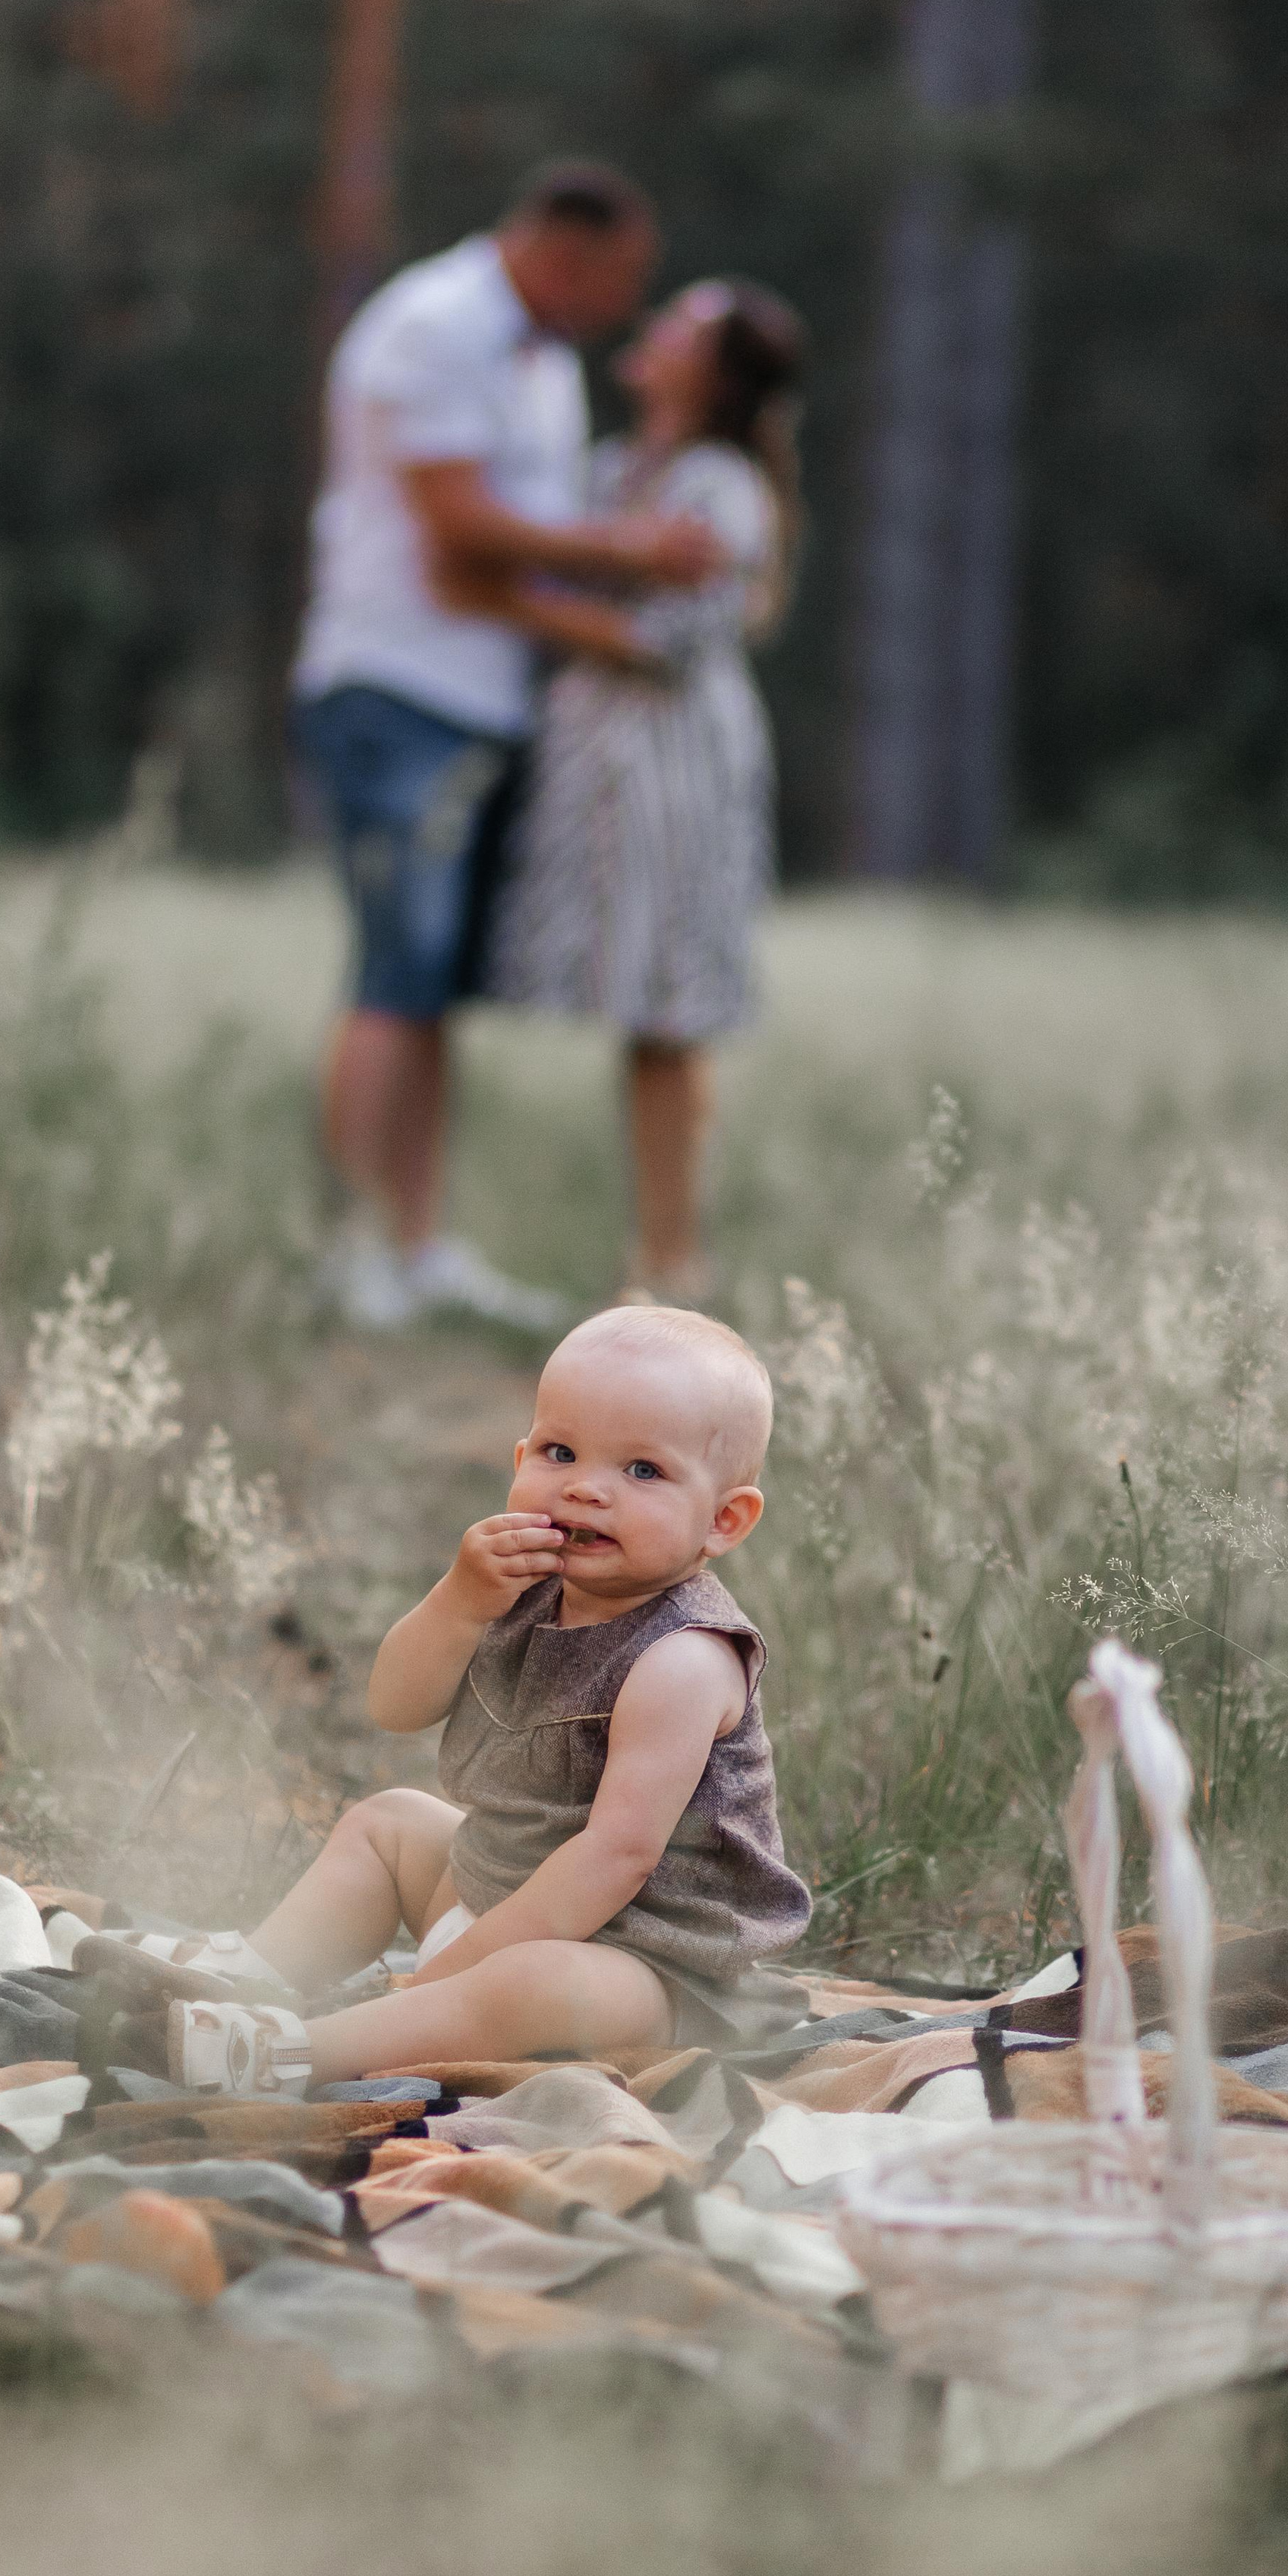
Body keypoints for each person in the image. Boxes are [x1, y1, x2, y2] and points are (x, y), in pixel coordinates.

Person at [153, 1305, 812, 2090]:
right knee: (388, 1823)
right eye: (560, 1452)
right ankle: (250, 1975)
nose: (585, 1489)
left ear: (724, 1520)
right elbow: (394, 1706)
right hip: (498, 1888)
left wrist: (456, 1968)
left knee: (529, 1988)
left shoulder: (685, 1659)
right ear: (521, 1455)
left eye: (642, 1471)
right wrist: (459, 1601)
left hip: (653, 1966)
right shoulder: (517, 1586)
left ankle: (291, 2052)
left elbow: (617, 1860)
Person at [294, 163, 724, 1332]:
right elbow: (460, 529)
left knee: (433, 988)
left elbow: (512, 553)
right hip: (398, 687)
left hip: (482, 696)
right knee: (392, 972)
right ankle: (348, 1252)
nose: (626, 305)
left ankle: (419, 1245)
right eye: (623, 277)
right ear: (566, 251)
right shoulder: (438, 328)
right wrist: (633, 560)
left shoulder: (540, 362)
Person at [487, 279, 805, 1301]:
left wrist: (507, 597)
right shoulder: (617, 470)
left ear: (711, 376)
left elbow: (670, 641)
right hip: (605, 760)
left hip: (675, 765)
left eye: (681, 328)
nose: (652, 330)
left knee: (667, 1009)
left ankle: (671, 1257)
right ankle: (658, 1253)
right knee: (639, 1004)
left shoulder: (719, 488)